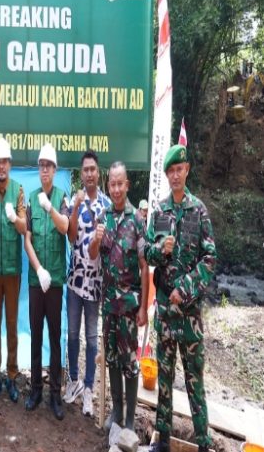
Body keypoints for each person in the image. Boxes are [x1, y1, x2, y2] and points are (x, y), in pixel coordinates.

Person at [145, 145, 216, 452]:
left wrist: (185, 287)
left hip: (189, 316)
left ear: (187, 170)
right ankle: (161, 439)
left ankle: (202, 442)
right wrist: (160, 251)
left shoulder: (198, 211)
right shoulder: (159, 212)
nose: (175, 175)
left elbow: (210, 258)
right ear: (167, 175)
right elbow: (146, 252)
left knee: (194, 381)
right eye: (170, 171)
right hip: (164, 313)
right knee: (163, 378)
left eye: (179, 169)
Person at [89, 161, 150, 435]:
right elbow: (92, 255)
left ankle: (129, 417)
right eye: (111, 184)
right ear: (108, 186)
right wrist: (95, 238)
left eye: (119, 183)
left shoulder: (137, 219)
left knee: (130, 363)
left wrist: (143, 309)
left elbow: (145, 265)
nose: (115, 189)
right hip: (109, 305)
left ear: (127, 185)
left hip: (129, 306)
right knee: (112, 358)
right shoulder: (102, 217)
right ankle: (116, 408)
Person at [23, 143, 70, 420]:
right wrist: (38, 269)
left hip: (55, 281)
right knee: (36, 336)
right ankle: (35, 391)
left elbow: (64, 226)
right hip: (36, 278)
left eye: (49, 166)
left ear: (55, 170)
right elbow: (27, 238)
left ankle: (55, 394)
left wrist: (50, 207)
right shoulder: (31, 197)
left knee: (54, 336)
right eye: (41, 166)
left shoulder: (62, 197)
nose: (44, 171)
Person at [65, 150, 111, 416]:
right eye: (85, 170)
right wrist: (75, 209)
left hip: (94, 283)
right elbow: (71, 237)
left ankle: (90, 390)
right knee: (72, 334)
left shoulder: (105, 205)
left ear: (98, 171)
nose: (90, 174)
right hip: (74, 280)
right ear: (81, 174)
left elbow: (102, 247)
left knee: (92, 338)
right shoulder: (75, 199)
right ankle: (74, 382)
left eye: (93, 169)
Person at [0, 138, 27, 403]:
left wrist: (14, 217)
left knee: (11, 325)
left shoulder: (19, 191)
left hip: (13, 272)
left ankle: (12, 377)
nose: (1, 166)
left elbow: (24, 229)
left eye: (5, 161)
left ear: (10, 165)